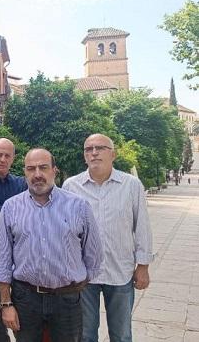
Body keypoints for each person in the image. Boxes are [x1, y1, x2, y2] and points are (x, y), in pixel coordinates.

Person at [0, 148, 104, 342]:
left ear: (54, 170)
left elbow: (94, 256)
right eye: (31, 169)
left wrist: (75, 283)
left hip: (67, 300)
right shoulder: (11, 208)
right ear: (25, 172)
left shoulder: (79, 206)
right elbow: (3, 261)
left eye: (43, 168)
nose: (37, 174)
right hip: (25, 299)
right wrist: (6, 304)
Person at [63, 134, 153, 342]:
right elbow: (64, 230)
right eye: (88, 149)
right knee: (84, 335)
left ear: (113, 154)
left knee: (121, 335)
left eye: (100, 148)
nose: (93, 153)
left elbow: (142, 227)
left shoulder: (131, 185)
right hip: (84, 275)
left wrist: (143, 266)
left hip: (120, 271)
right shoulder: (70, 187)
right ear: (84, 156)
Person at [0, 138, 27, 342]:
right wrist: (7, 209)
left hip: (21, 258)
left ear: (13, 158)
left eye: (7, 155)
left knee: (24, 312)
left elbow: (26, 211)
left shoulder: (21, 183)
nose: (2, 159)